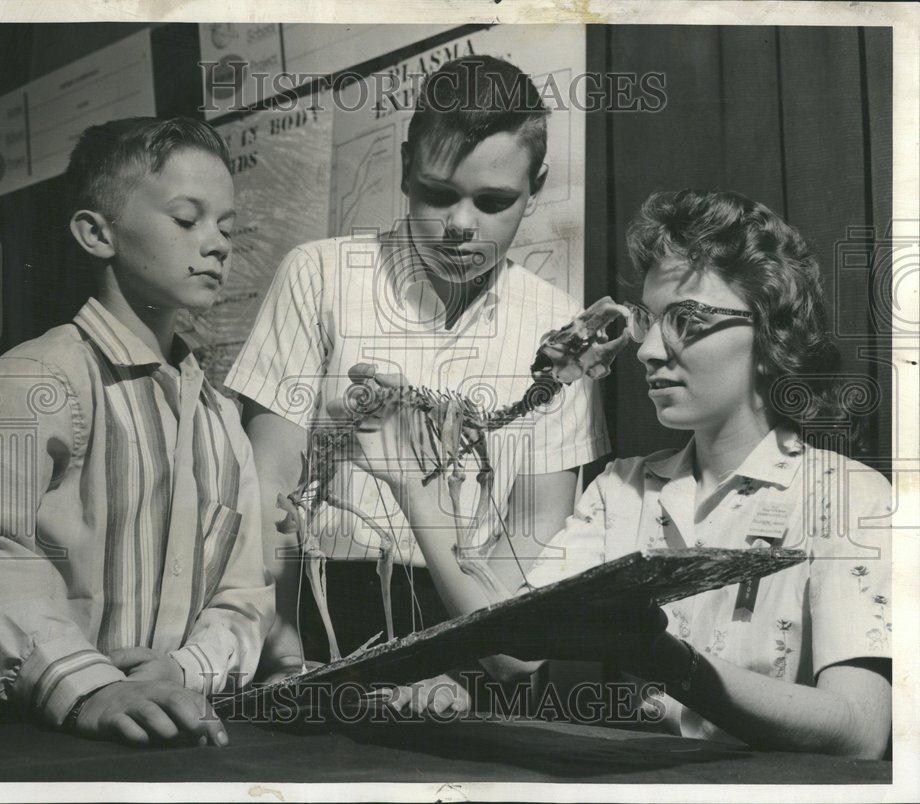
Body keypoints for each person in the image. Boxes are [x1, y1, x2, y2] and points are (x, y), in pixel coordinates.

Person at [339, 189, 892, 757]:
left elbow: (860, 730)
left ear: (770, 329)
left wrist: (663, 659)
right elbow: (511, 654)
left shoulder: (847, 498)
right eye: (649, 321)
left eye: (687, 319)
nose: (649, 349)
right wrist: (414, 493)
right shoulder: (622, 490)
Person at [225, 55, 610, 707]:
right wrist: (282, 657)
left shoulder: (558, 327)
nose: (461, 226)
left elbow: (533, 539)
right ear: (405, 168)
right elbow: (267, 490)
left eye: (493, 202)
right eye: (438, 193)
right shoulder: (319, 276)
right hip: (315, 627)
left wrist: (467, 674)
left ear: (536, 185)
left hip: (478, 638)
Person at [0, 117, 275, 747]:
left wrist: (185, 668)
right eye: (187, 219)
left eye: (226, 227)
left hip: (173, 728)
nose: (218, 244)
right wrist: (87, 683)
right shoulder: (33, 378)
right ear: (97, 233)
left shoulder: (219, 418)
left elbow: (244, 591)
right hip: (33, 733)